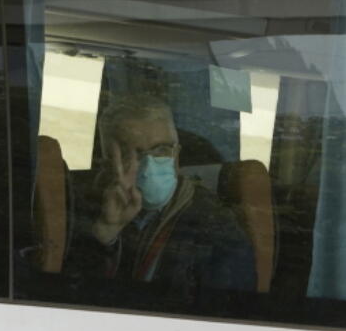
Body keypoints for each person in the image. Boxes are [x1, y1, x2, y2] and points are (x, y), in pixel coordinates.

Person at [64, 94, 256, 299]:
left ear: (177, 154)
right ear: (110, 161)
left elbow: (223, 315)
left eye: (162, 150)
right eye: (135, 154)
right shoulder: (79, 209)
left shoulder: (215, 228)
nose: (149, 166)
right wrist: (105, 232)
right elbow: (66, 294)